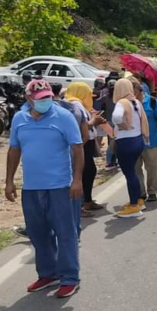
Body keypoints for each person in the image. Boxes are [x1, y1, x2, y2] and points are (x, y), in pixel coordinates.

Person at [5, 79, 84, 298]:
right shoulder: (19, 119)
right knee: (38, 233)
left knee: (65, 233)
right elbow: (14, 150)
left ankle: (69, 277)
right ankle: (48, 274)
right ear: (28, 98)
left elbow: (77, 148)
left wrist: (77, 180)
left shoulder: (64, 117)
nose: (46, 101)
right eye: (40, 98)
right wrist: (9, 181)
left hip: (60, 186)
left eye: (48, 96)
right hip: (31, 188)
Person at [64, 82, 106, 217]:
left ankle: (87, 201)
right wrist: (94, 121)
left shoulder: (79, 104)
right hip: (82, 143)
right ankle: (80, 205)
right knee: (82, 173)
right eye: (89, 95)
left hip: (87, 142)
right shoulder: (74, 105)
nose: (91, 98)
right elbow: (79, 127)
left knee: (89, 171)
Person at [112, 78, 150, 218]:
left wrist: (122, 125)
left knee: (130, 174)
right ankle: (138, 201)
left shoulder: (121, 103)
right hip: (138, 139)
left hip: (126, 142)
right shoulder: (136, 102)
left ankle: (134, 206)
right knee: (133, 172)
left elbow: (116, 117)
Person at [136, 81, 157, 203]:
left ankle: (152, 191)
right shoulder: (128, 103)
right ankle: (140, 193)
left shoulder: (152, 102)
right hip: (134, 142)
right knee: (136, 169)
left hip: (152, 142)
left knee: (152, 168)